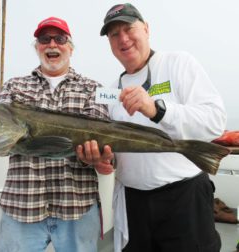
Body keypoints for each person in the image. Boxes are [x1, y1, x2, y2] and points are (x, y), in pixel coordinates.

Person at [78, 3, 227, 252]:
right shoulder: (110, 90)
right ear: (110, 43)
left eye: (129, 29)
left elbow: (214, 121)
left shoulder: (178, 63)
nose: (123, 38)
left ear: (146, 29)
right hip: (133, 204)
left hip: (184, 200)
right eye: (114, 34)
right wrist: (105, 161)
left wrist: (158, 109)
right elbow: (115, 152)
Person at [0, 16, 112, 252]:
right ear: (37, 46)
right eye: (44, 39)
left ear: (70, 47)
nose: (52, 44)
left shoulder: (95, 89)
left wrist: (100, 158)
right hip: (21, 207)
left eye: (59, 38)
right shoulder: (13, 86)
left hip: (76, 208)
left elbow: (102, 137)